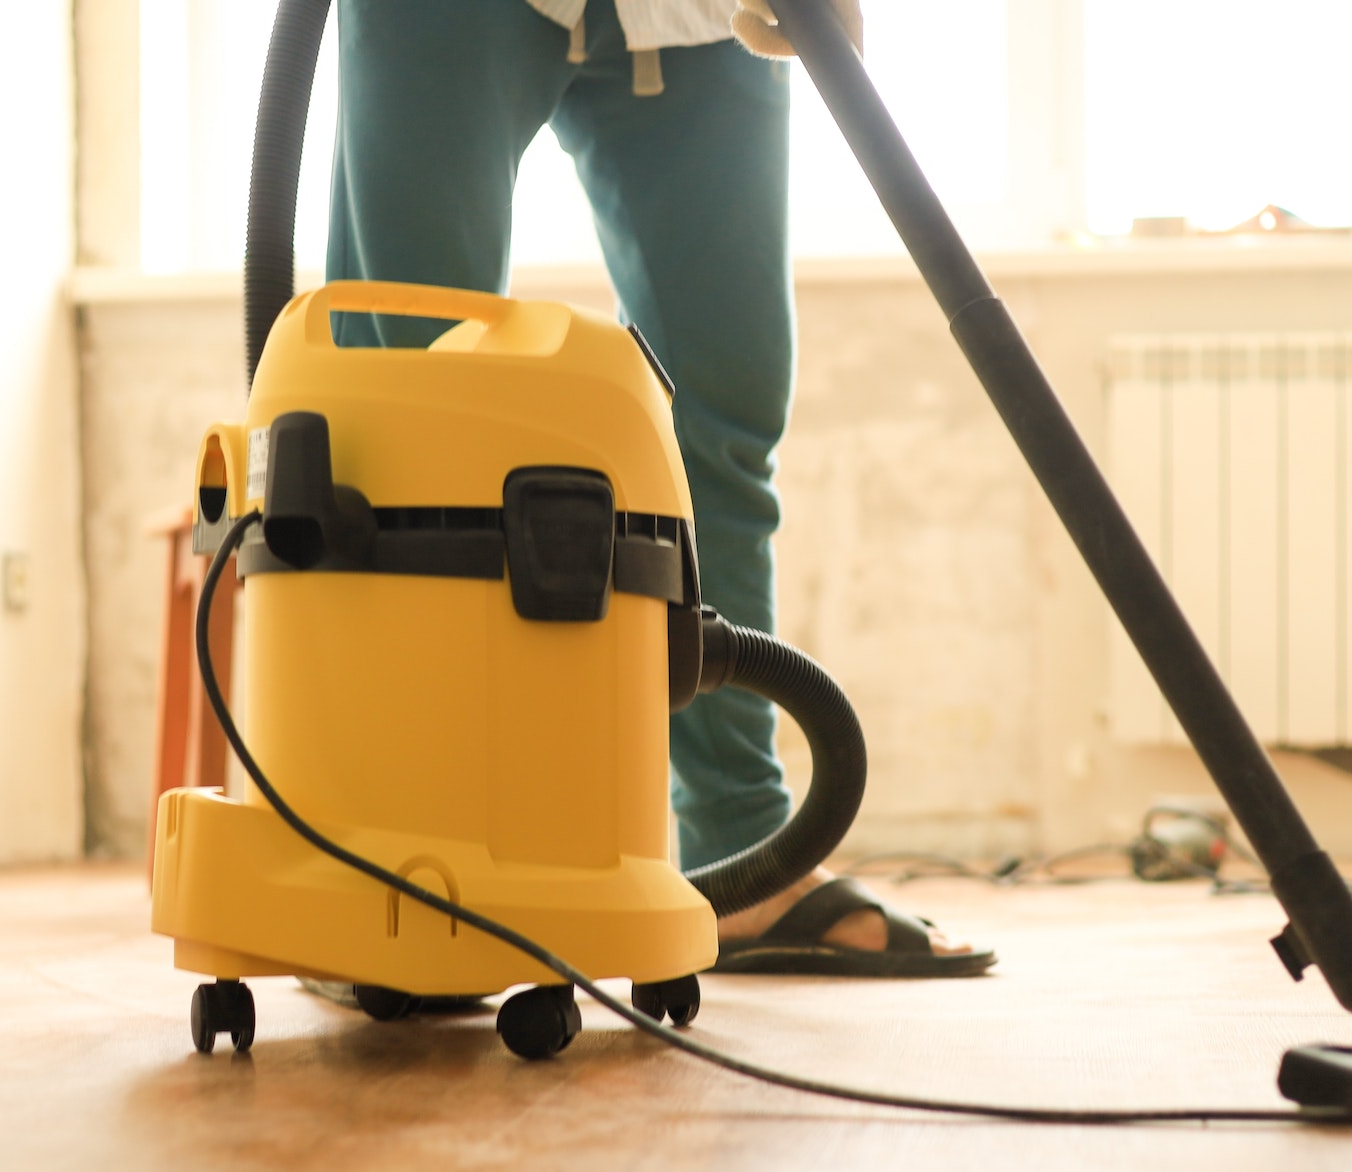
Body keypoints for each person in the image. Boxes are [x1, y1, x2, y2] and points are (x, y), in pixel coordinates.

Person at [325, 0, 991, 976]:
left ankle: (744, 862)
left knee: (720, 417)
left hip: (696, 16)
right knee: (412, 389)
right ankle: (392, 855)